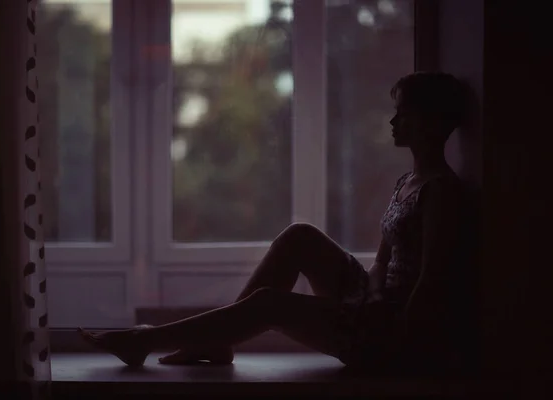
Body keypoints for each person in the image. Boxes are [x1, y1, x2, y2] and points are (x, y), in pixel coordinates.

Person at [79, 71, 470, 373]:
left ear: (431, 122)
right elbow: (383, 261)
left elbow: (432, 280)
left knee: (270, 304)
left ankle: (145, 340)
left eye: (404, 113)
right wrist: (372, 294)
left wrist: (394, 329)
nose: (393, 121)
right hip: (378, 306)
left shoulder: (442, 192)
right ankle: (216, 342)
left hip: (396, 334)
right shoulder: (408, 182)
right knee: (300, 236)